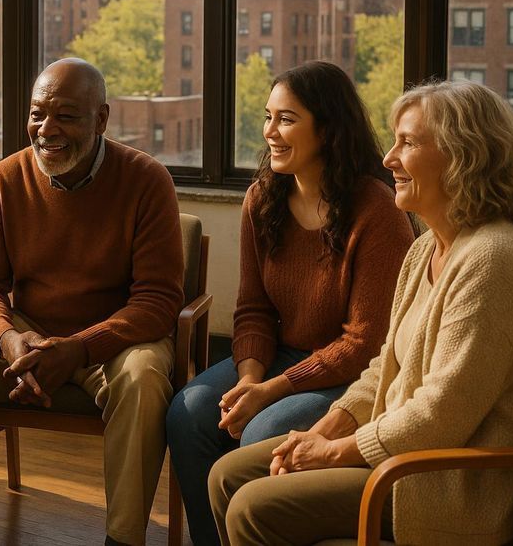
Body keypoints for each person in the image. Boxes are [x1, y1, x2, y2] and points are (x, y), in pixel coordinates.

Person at [208, 80, 513, 545]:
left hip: (435, 485)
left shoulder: (494, 260)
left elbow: (439, 417)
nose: (389, 158)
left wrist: (332, 454)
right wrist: (327, 429)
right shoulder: (427, 248)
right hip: (394, 454)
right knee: (226, 475)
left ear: (463, 155)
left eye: (408, 143)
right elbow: (383, 367)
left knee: (253, 506)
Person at [0, 58, 184, 546]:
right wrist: (8, 341)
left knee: (146, 378)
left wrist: (79, 348)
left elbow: (158, 300)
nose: (47, 129)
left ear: (101, 120)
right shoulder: (4, 179)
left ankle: (124, 538)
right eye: (37, 114)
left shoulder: (147, 180)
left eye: (66, 116)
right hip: (28, 334)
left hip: (114, 339)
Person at [166, 60, 414, 545]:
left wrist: (273, 390)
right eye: (267, 117)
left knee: (263, 431)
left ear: (327, 128)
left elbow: (366, 344)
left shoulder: (377, 209)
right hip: (279, 359)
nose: (270, 132)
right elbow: (253, 309)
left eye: (287, 119)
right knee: (189, 409)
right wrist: (251, 380)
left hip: (350, 375)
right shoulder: (261, 200)